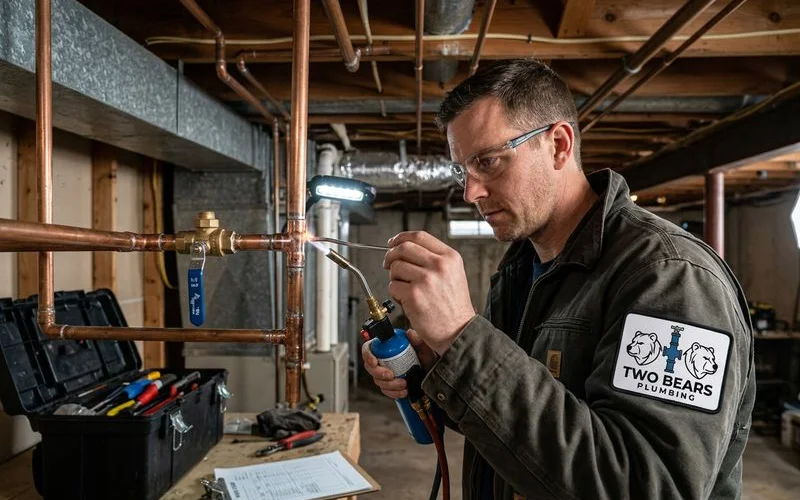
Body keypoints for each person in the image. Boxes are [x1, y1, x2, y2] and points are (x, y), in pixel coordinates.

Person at [362, 59, 755, 499]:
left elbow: (648, 487)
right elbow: (513, 425)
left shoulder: (670, 277)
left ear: (559, 145)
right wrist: (440, 367)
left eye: (488, 161)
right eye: (462, 170)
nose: (470, 192)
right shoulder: (521, 270)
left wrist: (461, 338)